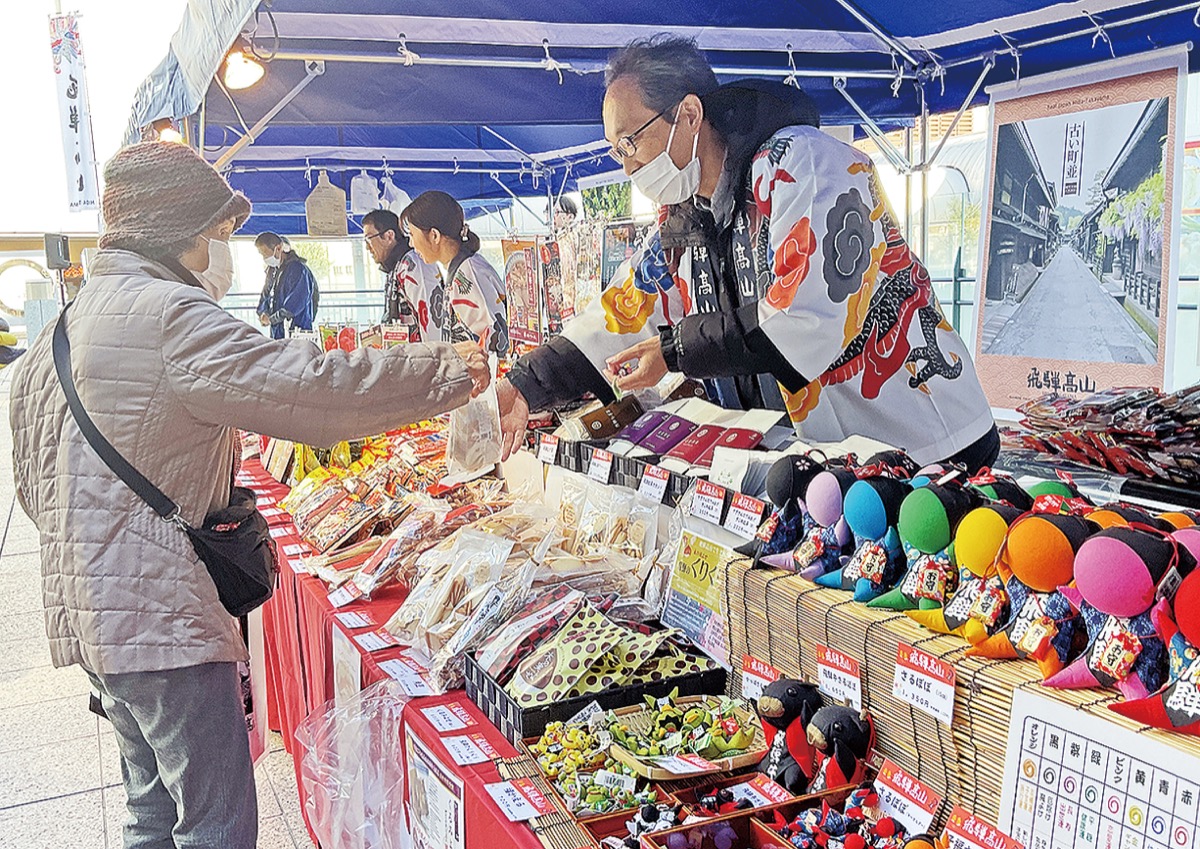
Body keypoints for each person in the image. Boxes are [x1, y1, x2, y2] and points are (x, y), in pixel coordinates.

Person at [9, 142, 489, 849]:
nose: (224, 251)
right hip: (162, 620)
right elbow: (310, 388)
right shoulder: (170, 315)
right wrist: (449, 370)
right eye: (218, 232)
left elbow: (33, 487)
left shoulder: (56, 333)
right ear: (180, 233)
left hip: (90, 619)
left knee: (150, 808)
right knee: (215, 824)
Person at [497, 35, 998, 472]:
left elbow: (802, 318)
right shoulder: (687, 218)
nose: (627, 166)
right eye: (616, 151)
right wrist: (523, 386)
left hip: (928, 442)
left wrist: (675, 352)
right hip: (834, 461)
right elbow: (623, 311)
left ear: (689, 115)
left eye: (630, 142)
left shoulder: (804, 164)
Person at [401, 191, 510, 357]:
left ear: (434, 235)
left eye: (412, 235)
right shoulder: (463, 268)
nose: (411, 243)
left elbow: (490, 346)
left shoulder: (467, 273)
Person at [362, 208, 444, 340]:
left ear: (389, 236)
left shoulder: (414, 265)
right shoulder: (396, 268)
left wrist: (434, 357)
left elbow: (432, 323)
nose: (367, 247)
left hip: (423, 357)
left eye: (368, 238)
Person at [254, 232, 317, 339]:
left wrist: (271, 319)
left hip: (297, 333)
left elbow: (293, 306)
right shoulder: (273, 271)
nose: (264, 258)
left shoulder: (297, 270)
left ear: (278, 248)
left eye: (265, 253)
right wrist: (263, 312)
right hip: (278, 333)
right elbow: (265, 295)